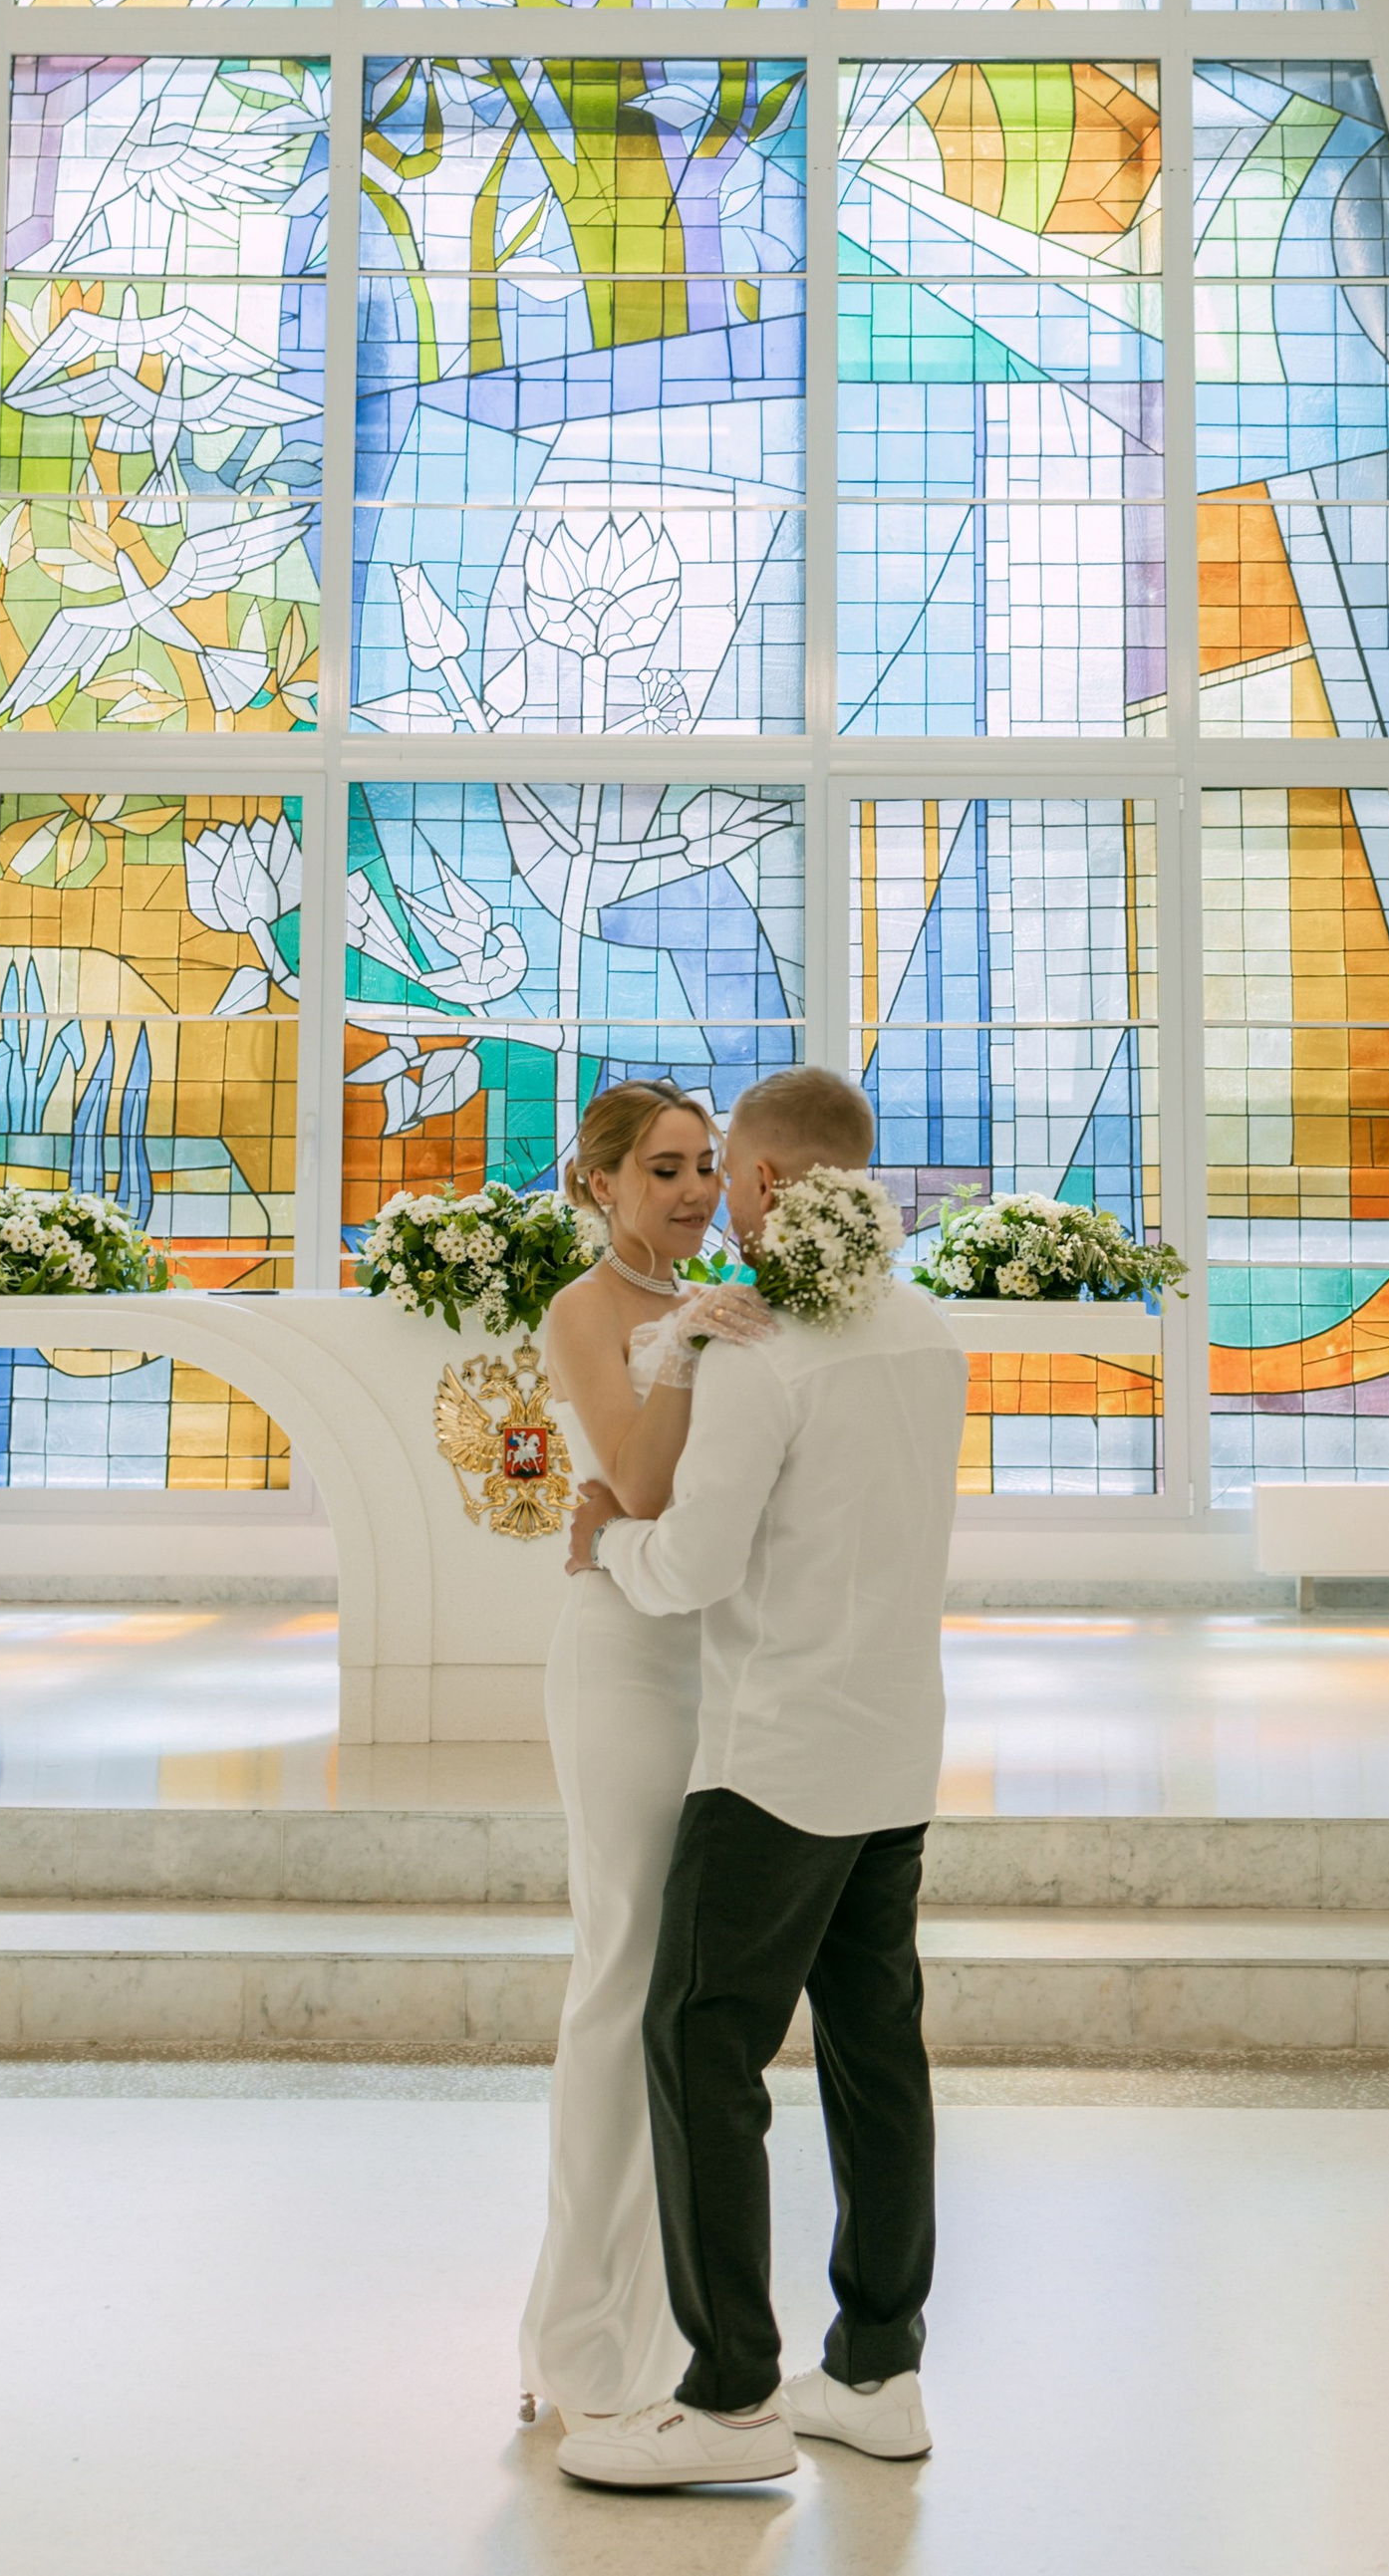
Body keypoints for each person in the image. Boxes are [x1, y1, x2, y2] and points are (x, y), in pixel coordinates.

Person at [553, 1067, 969, 2496]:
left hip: (776, 1762)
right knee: (875, 2057)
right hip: (895, 1752)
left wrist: (603, 1538)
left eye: (726, 1166)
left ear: (780, 1186)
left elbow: (688, 1569)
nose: (713, 1191)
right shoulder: (925, 1334)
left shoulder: (763, 1351)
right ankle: (876, 2369)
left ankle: (730, 2396)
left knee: (698, 2046)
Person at [519, 1083, 772, 2435]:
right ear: (602, 1182)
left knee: (681, 1990)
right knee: (619, 1974)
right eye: (663, 1168)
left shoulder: (716, 1297)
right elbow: (642, 1477)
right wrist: (679, 1348)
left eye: (705, 1167)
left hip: (718, 1658)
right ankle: (576, 2330)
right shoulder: (584, 1313)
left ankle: (650, 2308)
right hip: (622, 1654)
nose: (689, 1190)